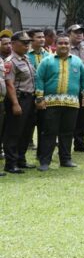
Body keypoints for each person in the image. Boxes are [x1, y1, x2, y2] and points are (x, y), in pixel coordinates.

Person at [33, 34, 84, 171]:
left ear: (70, 45)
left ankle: (65, 159)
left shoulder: (77, 61)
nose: (64, 45)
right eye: (61, 43)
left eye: (66, 43)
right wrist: (40, 98)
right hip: (51, 104)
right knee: (49, 132)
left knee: (67, 133)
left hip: (72, 104)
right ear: (55, 45)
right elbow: (39, 79)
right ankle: (45, 161)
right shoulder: (47, 61)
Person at [3, 31, 37, 173]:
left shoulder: (26, 59)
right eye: (24, 43)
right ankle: (11, 164)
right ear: (13, 43)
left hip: (29, 98)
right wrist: (15, 104)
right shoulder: (10, 61)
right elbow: (9, 84)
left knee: (26, 132)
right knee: (14, 132)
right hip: (18, 99)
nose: (27, 45)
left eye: (28, 42)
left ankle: (21, 159)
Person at [69, 24, 84, 152]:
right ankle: (66, 145)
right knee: (69, 118)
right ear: (69, 34)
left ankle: (80, 144)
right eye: (76, 32)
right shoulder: (65, 48)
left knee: (82, 117)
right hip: (70, 89)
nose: (79, 35)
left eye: (81, 32)